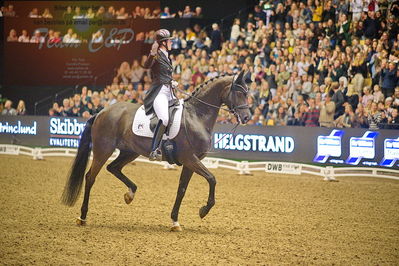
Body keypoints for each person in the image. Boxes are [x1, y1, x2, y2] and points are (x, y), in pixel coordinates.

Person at [143, 29, 178, 161]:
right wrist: (151, 54)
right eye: (170, 40)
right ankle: (154, 149)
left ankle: (170, 142)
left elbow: (166, 75)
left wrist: (172, 81)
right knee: (164, 118)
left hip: (169, 91)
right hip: (159, 93)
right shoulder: (156, 55)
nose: (171, 42)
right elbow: (146, 66)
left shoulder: (167, 56)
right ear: (163, 43)